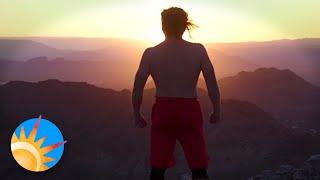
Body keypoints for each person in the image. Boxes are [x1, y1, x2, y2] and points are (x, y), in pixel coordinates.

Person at [132, 7, 221, 180]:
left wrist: (136, 114)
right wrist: (217, 110)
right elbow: (211, 83)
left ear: (163, 26)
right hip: (189, 110)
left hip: (163, 111)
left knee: (157, 167)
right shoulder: (198, 50)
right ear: (184, 26)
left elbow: (138, 87)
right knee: (199, 167)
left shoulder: (151, 53)